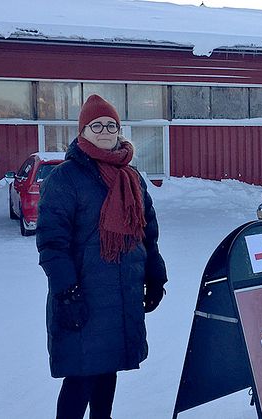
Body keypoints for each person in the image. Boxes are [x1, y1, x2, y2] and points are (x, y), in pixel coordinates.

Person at [36, 94, 168, 419]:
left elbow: (147, 234)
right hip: (85, 294)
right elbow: (52, 243)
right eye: (97, 125)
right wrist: (67, 293)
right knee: (81, 376)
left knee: (108, 368)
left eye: (111, 125)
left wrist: (154, 277)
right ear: (83, 132)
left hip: (121, 292)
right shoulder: (65, 178)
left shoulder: (133, 177)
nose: (105, 130)